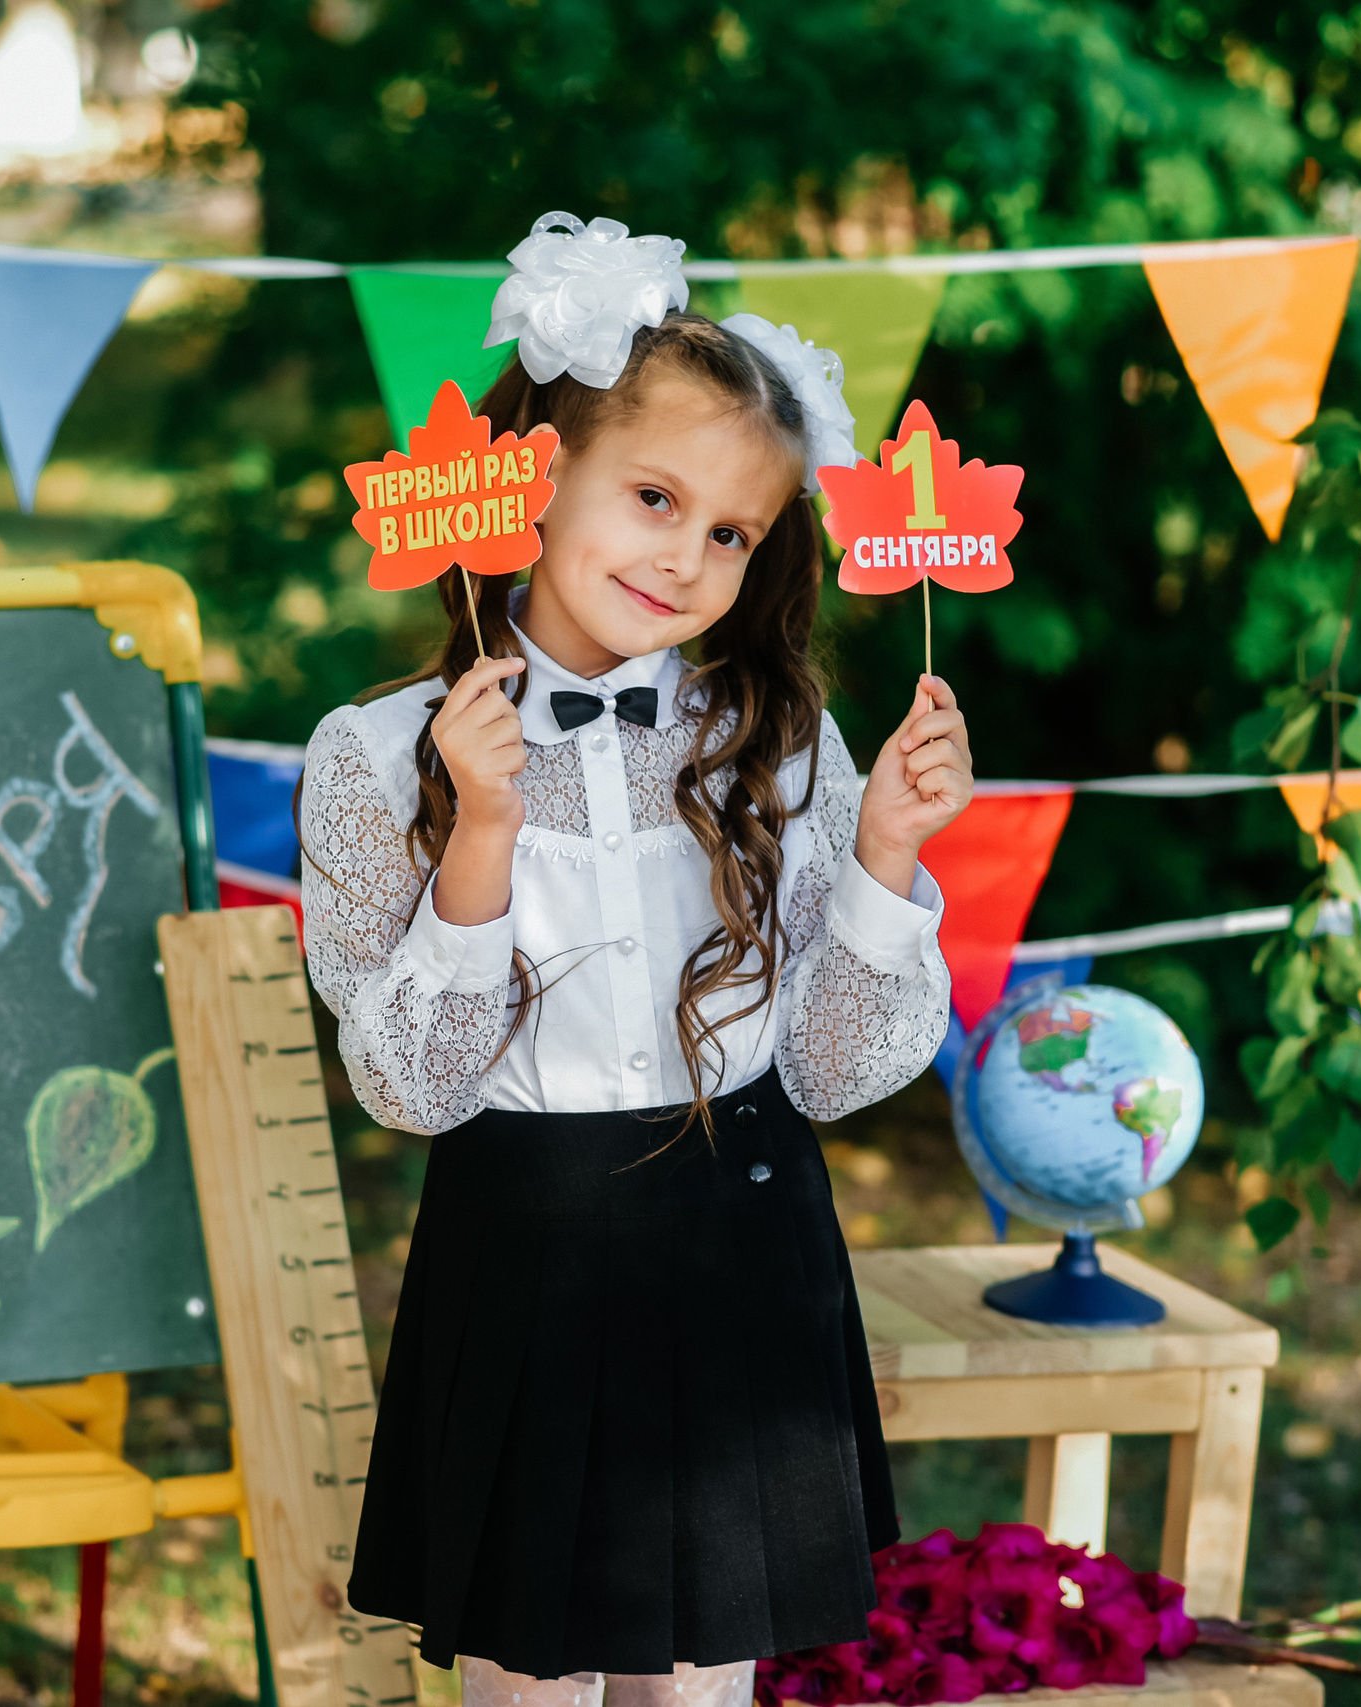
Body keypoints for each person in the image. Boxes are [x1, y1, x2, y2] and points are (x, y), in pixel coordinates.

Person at [298, 212, 972, 1707]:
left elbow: (839, 1071)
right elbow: (406, 1091)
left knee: (701, 1680)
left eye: (730, 531)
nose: (685, 555)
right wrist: (479, 831)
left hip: (742, 1238)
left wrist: (883, 861)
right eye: (654, 496)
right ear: (532, 483)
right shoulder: (370, 755)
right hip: (526, 1252)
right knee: (530, 1679)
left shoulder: (781, 739)